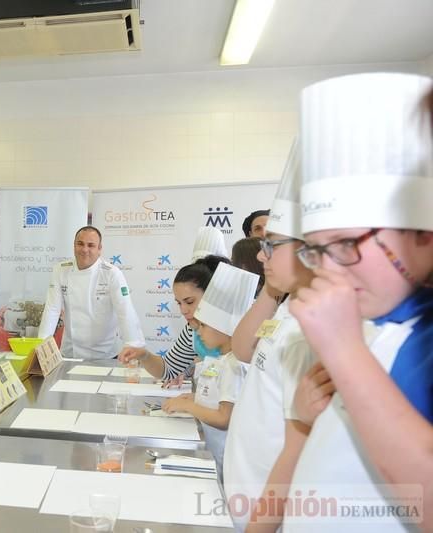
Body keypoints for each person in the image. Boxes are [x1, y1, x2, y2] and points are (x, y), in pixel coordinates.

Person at [285, 72, 433, 531]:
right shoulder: (371, 320)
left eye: (347, 242)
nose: (328, 270)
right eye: (315, 250)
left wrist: (344, 352)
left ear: (423, 234)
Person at [222, 141, 317, 531]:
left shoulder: (314, 328)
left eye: (271, 246)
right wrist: (270, 290)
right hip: (244, 493)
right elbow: (242, 349)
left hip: (269, 512)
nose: (261, 257)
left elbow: (299, 450)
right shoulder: (286, 307)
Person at [161, 262, 259, 474]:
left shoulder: (234, 365)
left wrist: (189, 407)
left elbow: (225, 417)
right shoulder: (220, 360)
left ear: (225, 327)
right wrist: (195, 398)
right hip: (214, 453)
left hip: (228, 459)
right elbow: (217, 399)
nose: (198, 331)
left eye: (203, 325)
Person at [38, 226, 145, 359]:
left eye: (91, 245)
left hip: (105, 353)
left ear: (99, 249)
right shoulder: (60, 270)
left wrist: (132, 345)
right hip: (70, 351)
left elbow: (125, 311)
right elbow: (52, 309)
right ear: (74, 245)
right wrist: (42, 345)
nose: (84, 250)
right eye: (80, 244)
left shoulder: (111, 273)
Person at [119, 255, 231, 380]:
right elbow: (169, 369)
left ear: (211, 297)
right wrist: (144, 355)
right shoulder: (191, 330)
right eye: (179, 303)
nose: (183, 310)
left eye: (189, 302)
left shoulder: (239, 328)